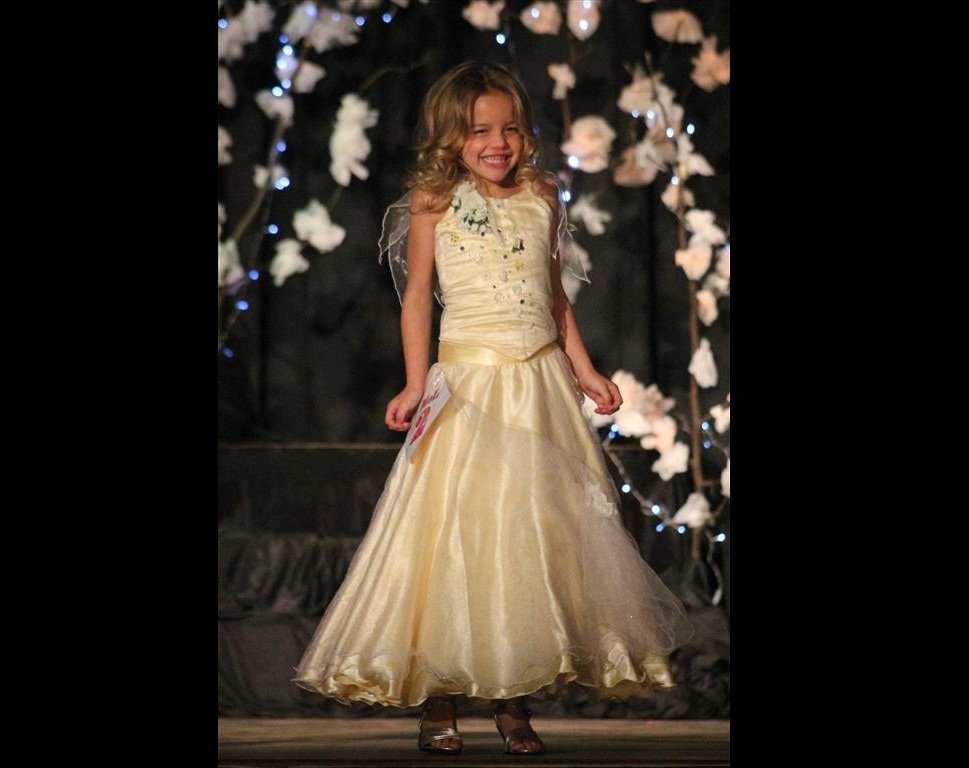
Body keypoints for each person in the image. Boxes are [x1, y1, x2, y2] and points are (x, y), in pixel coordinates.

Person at [293, 61, 693, 756]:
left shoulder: (542, 193)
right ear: (451, 136)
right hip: (469, 388)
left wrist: (585, 370)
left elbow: (554, 295)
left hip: (536, 387)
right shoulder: (431, 201)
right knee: (454, 534)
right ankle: (439, 698)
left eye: (509, 128)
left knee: (527, 539)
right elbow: (417, 300)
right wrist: (415, 383)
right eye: (479, 131)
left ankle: (514, 699)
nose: (497, 143)